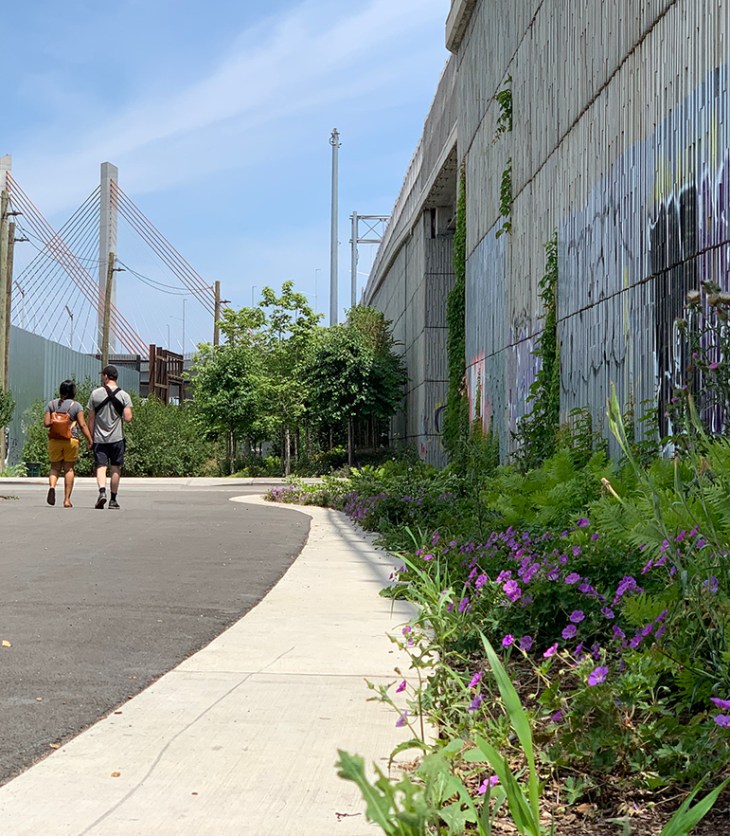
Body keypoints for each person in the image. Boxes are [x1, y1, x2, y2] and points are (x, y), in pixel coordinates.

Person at [87, 365, 133, 509]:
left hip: (99, 438)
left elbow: (91, 419)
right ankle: (113, 500)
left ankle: (102, 492)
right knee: (115, 468)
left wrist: (90, 438)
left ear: (106, 376)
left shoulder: (95, 394)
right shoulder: (124, 395)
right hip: (117, 438)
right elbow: (128, 418)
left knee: (101, 466)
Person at [43, 380, 93, 509]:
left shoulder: (51, 404)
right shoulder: (76, 406)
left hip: (55, 440)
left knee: (54, 468)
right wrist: (90, 439)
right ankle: (66, 500)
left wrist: (55, 420)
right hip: (71, 440)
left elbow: (46, 423)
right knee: (69, 469)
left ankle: (52, 487)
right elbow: (82, 425)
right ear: (73, 392)